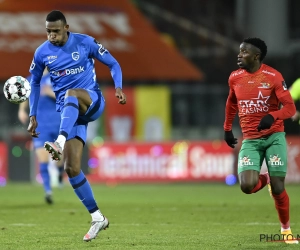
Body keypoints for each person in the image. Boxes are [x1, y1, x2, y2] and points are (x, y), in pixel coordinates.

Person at [27, 10, 126, 242]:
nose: (51, 36)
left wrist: (118, 86)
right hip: (69, 115)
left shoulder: (85, 42)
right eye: (48, 32)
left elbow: (113, 64)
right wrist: (32, 113)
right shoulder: (42, 53)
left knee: (72, 93)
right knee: (71, 168)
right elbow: (34, 81)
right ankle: (97, 217)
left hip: (91, 101)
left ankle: (59, 142)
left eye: (56, 31)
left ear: (66, 28)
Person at [223, 37, 298, 244]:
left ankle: (286, 231)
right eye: (239, 51)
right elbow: (231, 103)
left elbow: (290, 109)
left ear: (256, 56)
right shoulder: (235, 77)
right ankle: (265, 179)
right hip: (251, 139)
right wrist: (227, 129)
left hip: (274, 137)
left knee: (279, 187)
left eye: (244, 52)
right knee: (247, 186)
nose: (239, 55)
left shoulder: (273, 76)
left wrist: (272, 116)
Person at [18, 70, 64, 204]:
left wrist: (50, 92)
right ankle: (48, 191)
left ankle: (60, 172)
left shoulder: (57, 77)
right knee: (43, 158)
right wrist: (22, 110)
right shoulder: (30, 79)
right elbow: (24, 95)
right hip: (39, 124)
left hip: (58, 122)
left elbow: (66, 97)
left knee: (59, 157)